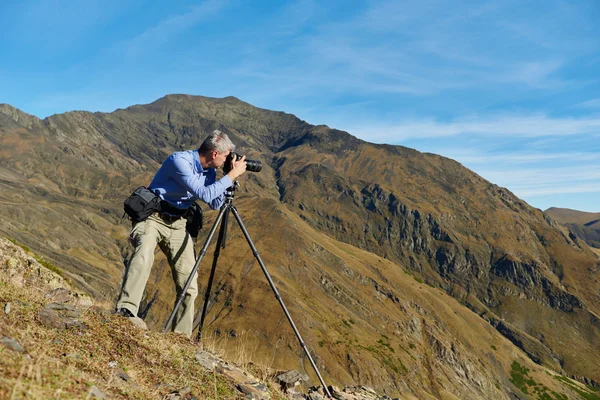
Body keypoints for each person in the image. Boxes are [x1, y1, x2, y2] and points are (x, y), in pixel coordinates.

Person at [116, 130, 247, 337]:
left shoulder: (210, 172)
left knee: (189, 283)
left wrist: (227, 180)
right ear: (214, 154)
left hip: (178, 224)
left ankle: (181, 337)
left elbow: (214, 203)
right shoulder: (180, 161)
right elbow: (204, 193)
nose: (227, 160)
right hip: (153, 218)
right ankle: (126, 310)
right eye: (225, 156)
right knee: (144, 254)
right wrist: (231, 175)